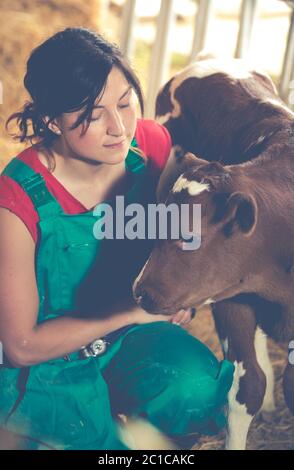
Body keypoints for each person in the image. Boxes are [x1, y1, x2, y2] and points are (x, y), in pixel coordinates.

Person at [0, 27, 234, 450]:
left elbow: (170, 236)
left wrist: (177, 296)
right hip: (50, 359)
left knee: (198, 389)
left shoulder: (151, 144)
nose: (118, 127)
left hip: (127, 339)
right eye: (92, 115)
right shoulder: (16, 199)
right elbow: (20, 346)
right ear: (52, 121)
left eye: (125, 102)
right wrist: (132, 312)